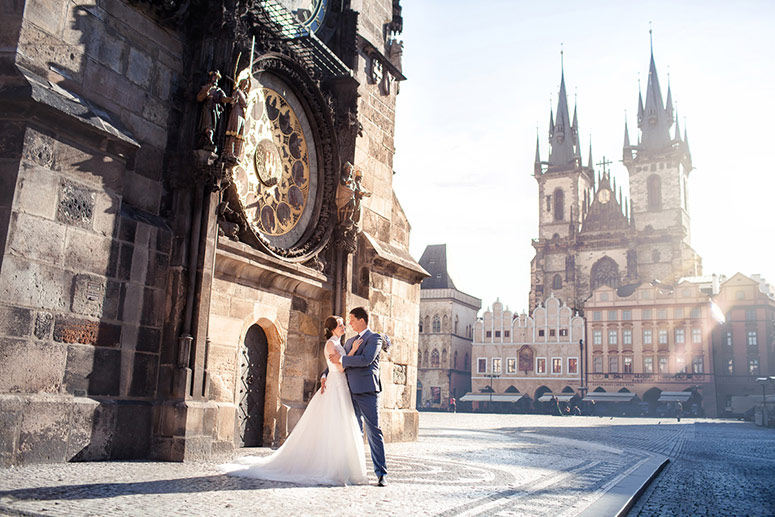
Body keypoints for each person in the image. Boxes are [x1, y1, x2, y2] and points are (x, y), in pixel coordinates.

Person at [221, 316, 367, 485]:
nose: (344, 326)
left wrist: (335, 366)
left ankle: (345, 466)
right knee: (335, 423)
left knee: (343, 423)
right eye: (340, 324)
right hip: (336, 387)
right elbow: (340, 367)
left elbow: (336, 366)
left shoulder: (339, 344)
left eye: (343, 324)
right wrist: (353, 352)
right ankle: (332, 467)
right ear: (333, 329)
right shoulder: (331, 344)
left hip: (341, 387)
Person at [327, 306, 388, 487]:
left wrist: (343, 360)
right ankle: (353, 472)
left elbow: (366, 360)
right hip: (347, 390)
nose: (350, 323)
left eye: (352, 320)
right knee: (352, 431)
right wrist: (325, 375)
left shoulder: (375, 338)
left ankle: (381, 473)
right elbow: (335, 360)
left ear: (362, 320)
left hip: (367, 390)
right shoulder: (351, 340)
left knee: (373, 431)